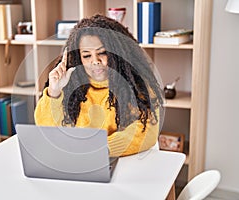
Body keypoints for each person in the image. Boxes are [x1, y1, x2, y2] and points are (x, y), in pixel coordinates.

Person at [34, 14, 164, 157]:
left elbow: (146, 132)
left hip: (120, 160)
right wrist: (54, 91)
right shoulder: (69, 84)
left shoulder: (137, 85)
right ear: (79, 57)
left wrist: (102, 149)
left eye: (102, 53)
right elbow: (47, 131)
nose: (95, 61)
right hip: (79, 161)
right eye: (87, 55)